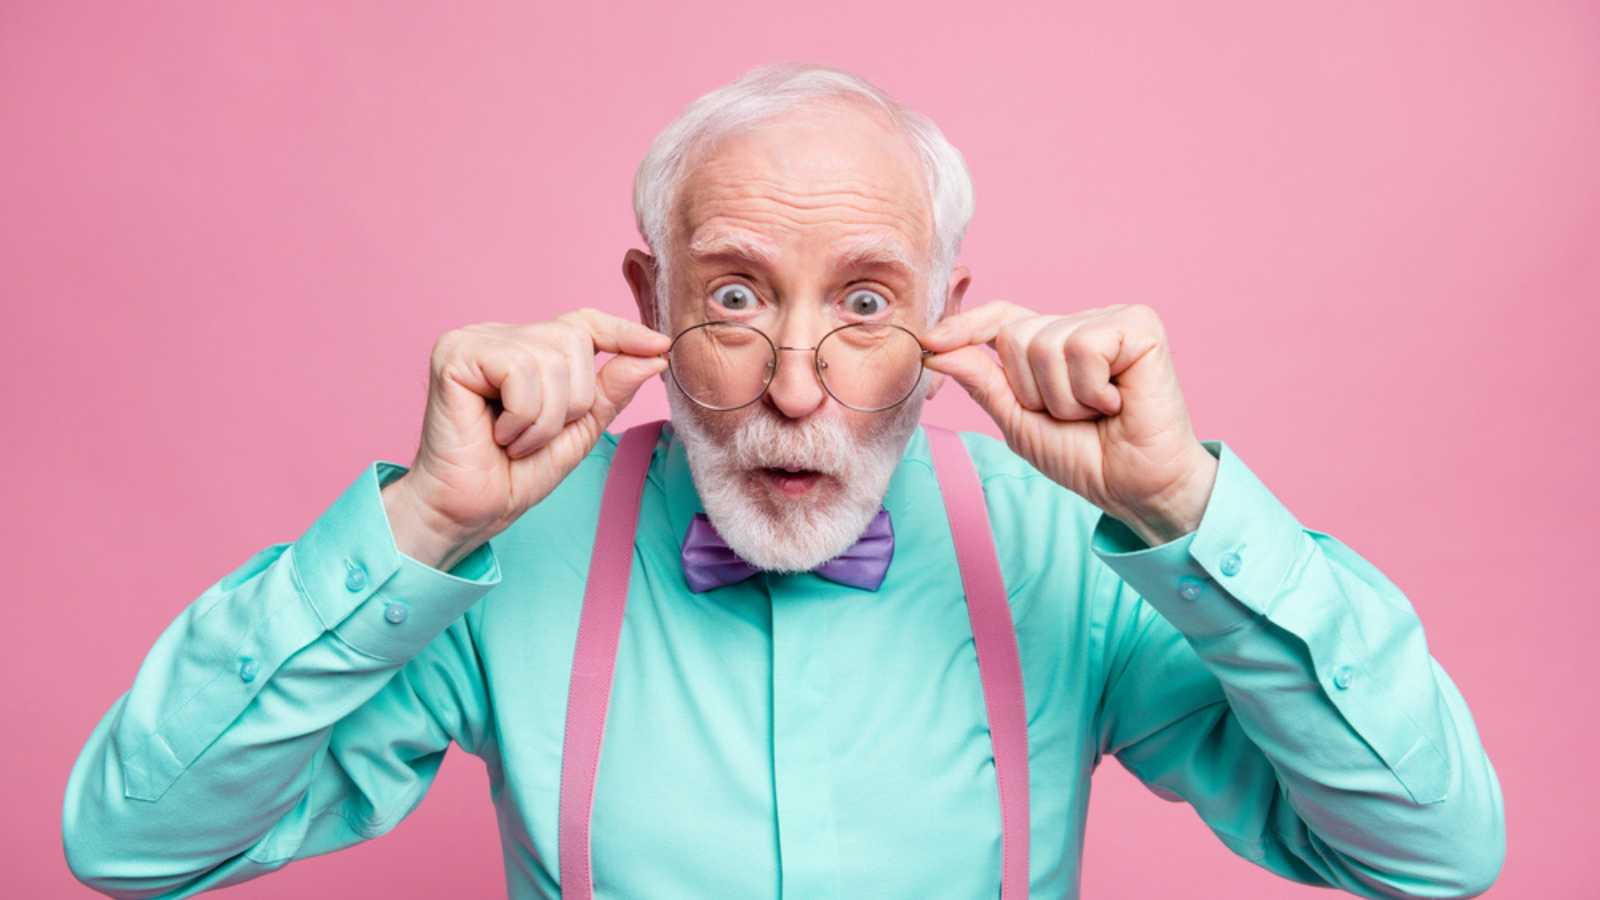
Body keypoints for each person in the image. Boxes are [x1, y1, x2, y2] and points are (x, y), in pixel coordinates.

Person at [62, 62, 1505, 899]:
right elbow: (132, 843)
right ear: (648, 298)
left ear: (949, 317)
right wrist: (423, 523)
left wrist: (1185, 507)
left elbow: (1431, 851)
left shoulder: (1069, 552)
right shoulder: (509, 551)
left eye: (867, 305)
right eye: (738, 299)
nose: (799, 388)